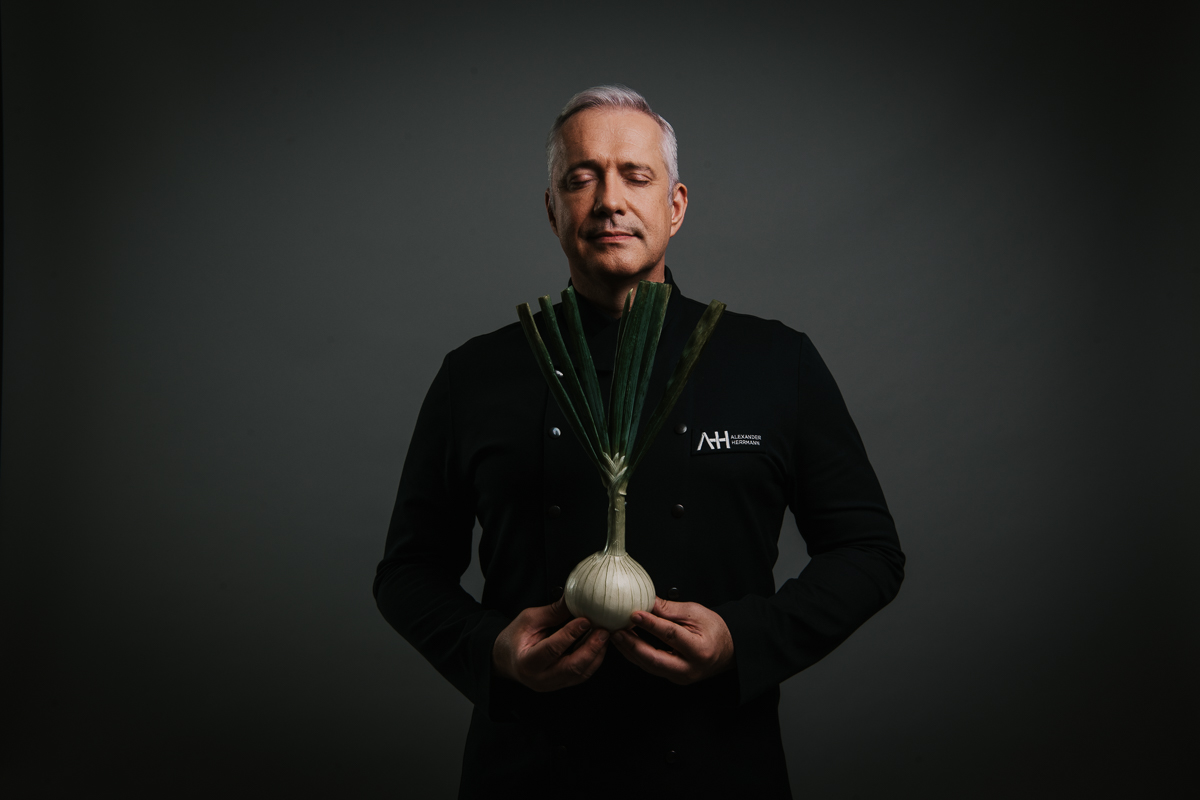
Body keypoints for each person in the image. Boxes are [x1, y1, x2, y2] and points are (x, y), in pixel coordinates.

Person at [374, 85, 905, 799]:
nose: (608, 200)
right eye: (580, 176)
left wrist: (743, 641)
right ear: (552, 208)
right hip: (528, 773)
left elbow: (868, 552)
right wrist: (493, 651)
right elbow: (407, 573)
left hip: (719, 768)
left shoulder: (775, 362)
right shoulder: (476, 375)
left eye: (635, 175)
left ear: (676, 206)